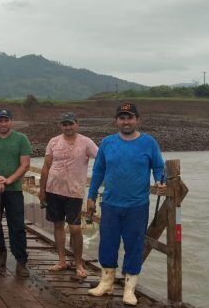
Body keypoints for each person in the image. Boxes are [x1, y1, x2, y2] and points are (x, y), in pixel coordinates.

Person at [87, 103, 166, 305]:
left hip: (137, 205)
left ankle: (129, 288)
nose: (126, 121)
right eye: (122, 118)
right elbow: (98, 171)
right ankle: (106, 282)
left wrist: (160, 179)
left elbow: (158, 166)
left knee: (134, 245)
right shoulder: (107, 142)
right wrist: (91, 195)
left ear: (137, 120)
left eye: (129, 117)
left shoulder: (149, 142)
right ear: (116, 121)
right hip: (111, 204)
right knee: (108, 243)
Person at [39, 112, 98, 278]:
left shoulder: (86, 142)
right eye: (65, 124)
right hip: (53, 190)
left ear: (77, 124)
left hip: (74, 192)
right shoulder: (53, 142)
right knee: (58, 225)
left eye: (71, 124)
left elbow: (101, 160)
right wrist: (42, 190)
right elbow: (46, 167)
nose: (68, 127)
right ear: (61, 126)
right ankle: (61, 260)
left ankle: (79, 263)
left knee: (75, 228)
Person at [0, 109, 32, 277]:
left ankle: (21, 260)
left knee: (16, 225)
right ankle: (0, 253)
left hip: (14, 190)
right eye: (0, 120)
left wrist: (8, 180)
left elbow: (25, 164)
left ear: (11, 121)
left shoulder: (21, 139)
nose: (3, 123)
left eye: (6, 120)